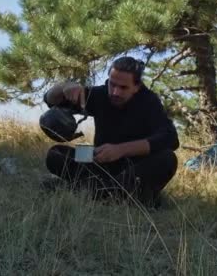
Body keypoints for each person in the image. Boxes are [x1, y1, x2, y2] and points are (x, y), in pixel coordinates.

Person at [41, 56, 179, 208]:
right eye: (112, 84)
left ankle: (92, 191)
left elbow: (170, 138)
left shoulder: (149, 102)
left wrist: (120, 150)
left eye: (123, 88)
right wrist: (63, 86)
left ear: (137, 86)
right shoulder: (101, 95)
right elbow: (50, 100)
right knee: (55, 154)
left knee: (168, 159)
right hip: (99, 161)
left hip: (132, 169)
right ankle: (112, 194)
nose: (115, 92)